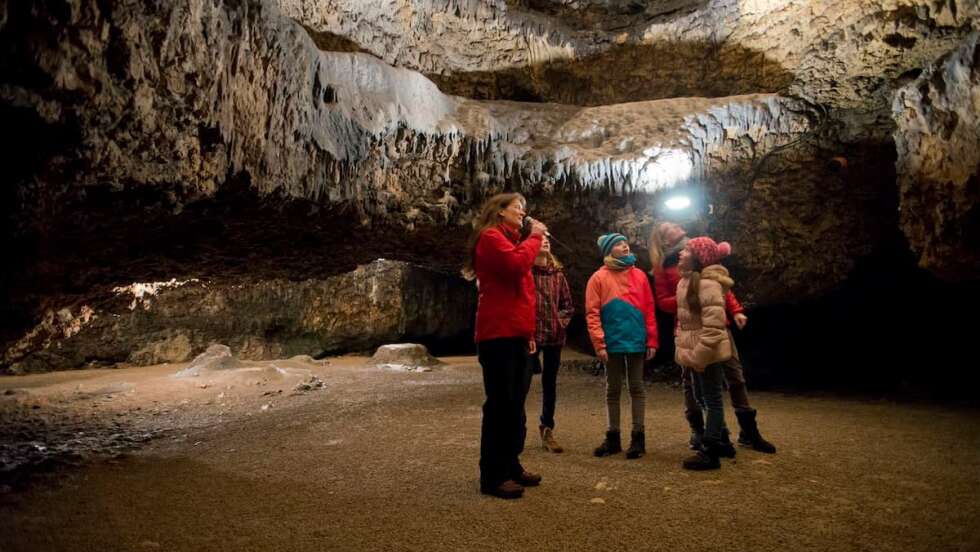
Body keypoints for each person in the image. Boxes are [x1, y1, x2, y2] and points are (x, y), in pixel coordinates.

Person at [649, 222, 775, 454]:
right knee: (693, 385)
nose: (676, 227)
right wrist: (689, 299)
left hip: (716, 325)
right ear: (664, 240)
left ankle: (749, 431)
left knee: (735, 376)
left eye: (675, 224)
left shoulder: (699, 252)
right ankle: (703, 431)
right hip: (689, 329)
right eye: (669, 228)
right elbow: (664, 301)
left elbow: (719, 286)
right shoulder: (665, 266)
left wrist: (735, 310)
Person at [462, 192, 547, 500]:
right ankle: (493, 476)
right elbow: (515, 266)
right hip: (498, 335)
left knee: (515, 407)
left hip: (516, 334)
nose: (522, 212)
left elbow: (522, 291)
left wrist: (529, 333)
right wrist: (535, 237)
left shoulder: (510, 241)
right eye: (517, 208)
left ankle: (510, 465)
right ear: (500, 212)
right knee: (500, 405)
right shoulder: (490, 238)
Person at [586, 233, 658, 459]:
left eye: (625, 242)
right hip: (612, 341)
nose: (625, 246)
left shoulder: (640, 276)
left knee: (636, 387)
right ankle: (613, 437)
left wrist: (652, 339)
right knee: (613, 389)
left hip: (636, 339)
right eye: (618, 244)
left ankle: (638, 438)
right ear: (609, 250)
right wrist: (599, 343)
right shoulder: (598, 278)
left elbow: (649, 308)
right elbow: (592, 313)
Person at [675, 236, 739, 470]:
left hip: (706, 352)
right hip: (694, 350)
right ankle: (723, 442)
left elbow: (714, 328)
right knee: (701, 397)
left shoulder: (708, 285)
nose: (680, 253)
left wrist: (699, 357)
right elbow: (684, 322)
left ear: (698, 257)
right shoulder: (685, 282)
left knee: (712, 400)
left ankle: (710, 451)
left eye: (686, 250)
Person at [528, 236, 574, 453]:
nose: (545, 241)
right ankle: (515, 430)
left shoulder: (558, 275)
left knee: (550, 384)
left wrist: (561, 321)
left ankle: (547, 429)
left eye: (547, 239)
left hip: (554, 336)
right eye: (540, 239)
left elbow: (567, 305)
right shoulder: (526, 273)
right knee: (522, 383)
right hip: (531, 337)